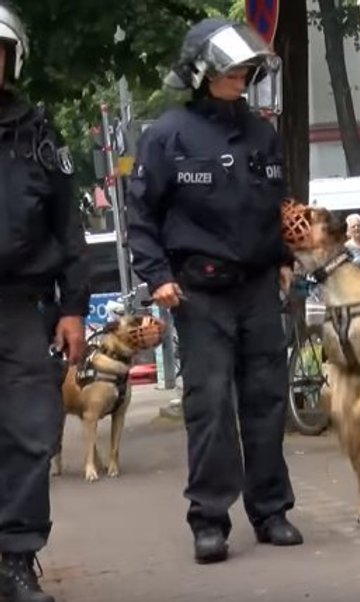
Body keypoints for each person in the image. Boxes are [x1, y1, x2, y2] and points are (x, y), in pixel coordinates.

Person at [126, 18, 302, 564]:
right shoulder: (166, 135)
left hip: (256, 288)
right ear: (201, 72)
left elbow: (277, 203)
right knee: (210, 408)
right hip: (197, 292)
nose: (243, 76)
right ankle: (209, 519)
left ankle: (271, 511)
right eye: (232, 69)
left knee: (267, 401)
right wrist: (157, 276)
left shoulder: (262, 132)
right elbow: (140, 214)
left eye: (248, 69)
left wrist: (284, 257)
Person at [0, 4, 89, 601]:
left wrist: (73, 307)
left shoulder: (38, 133)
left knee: (31, 435)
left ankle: (15, 560)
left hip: (20, 305)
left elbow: (68, 227)